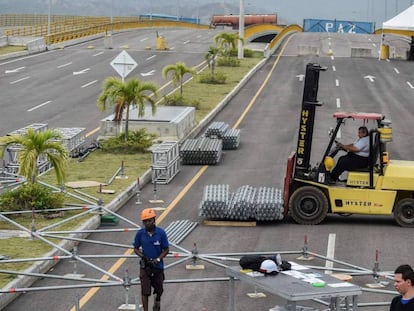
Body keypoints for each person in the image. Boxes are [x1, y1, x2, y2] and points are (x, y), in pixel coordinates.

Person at [133, 208, 169, 311]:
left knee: (159, 289)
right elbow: (135, 248)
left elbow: (166, 249)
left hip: (157, 266)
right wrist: (143, 256)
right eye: (145, 221)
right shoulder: (140, 234)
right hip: (145, 267)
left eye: (149, 221)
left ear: (154, 220)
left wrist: (158, 259)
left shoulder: (161, 233)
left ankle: (157, 300)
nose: (147, 223)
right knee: (145, 291)